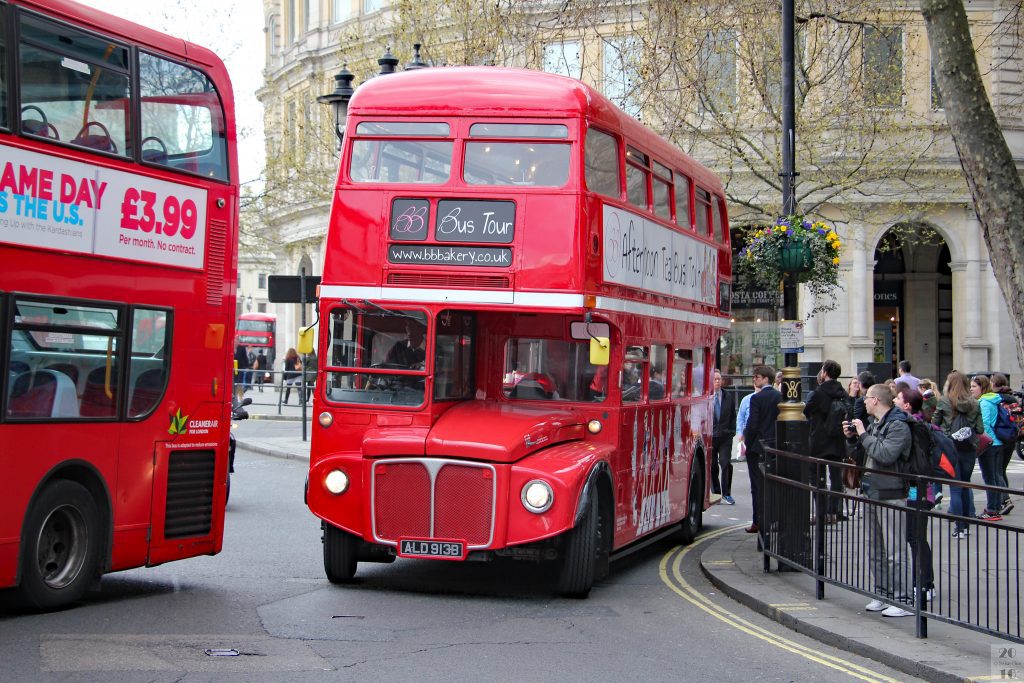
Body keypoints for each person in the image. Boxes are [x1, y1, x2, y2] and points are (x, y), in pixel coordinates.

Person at [846, 383, 913, 617]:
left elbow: (885, 455)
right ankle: (882, 594)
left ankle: (904, 600)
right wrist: (854, 439)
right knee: (875, 548)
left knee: (895, 550)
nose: (863, 402)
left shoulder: (898, 425)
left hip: (892, 492)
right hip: (871, 490)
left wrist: (863, 433)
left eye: (866, 398)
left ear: (875, 400)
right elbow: (866, 456)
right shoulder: (875, 424)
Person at [893, 386, 935, 606]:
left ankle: (924, 584)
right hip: (919, 491)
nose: (894, 399)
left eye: (898, 398)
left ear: (907, 405)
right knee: (917, 538)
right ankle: (926, 583)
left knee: (915, 539)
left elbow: (917, 462)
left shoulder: (914, 427)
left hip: (917, 491)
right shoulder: (918, 423)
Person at [932, 370, 983, 537]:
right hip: (968, 449)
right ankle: (966, 527)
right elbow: (980, 429)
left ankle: (958, 528)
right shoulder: (974, 403)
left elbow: (935, 424)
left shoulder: (945, 401)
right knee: (965, 485)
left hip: (950, 448)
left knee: (955, 488)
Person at [803, 360, 849, 522]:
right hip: (837, 441)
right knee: (836, 478)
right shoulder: (843, 393)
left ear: (825, 372)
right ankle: (832, 512)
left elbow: (805, 413)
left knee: (817, 479)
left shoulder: (817, 393)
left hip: (818, 442)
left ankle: (821, 513)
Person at [742, 365, 782, 535]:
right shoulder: (780, 396)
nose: (754, 379)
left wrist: (747, 444)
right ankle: (775, 520)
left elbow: (752, 425)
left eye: (757, 377)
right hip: (775, 447)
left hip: (758, 448)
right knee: (774, 485)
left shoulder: (756, 398)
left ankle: (758, 522)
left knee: (757, 486)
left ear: (766, 379)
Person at [972, 374, 1008, 521]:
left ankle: (992, 509)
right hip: (997, 442)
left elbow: (984, 424)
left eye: (974, 386)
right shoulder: (993, 400)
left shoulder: (984, 402)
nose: (971, 389)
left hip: (988, 444)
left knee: (990, 478)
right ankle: (996, 506)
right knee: (994, 476)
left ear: (982, 387)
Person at [991, 372, 1016, 515]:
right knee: (1002, 469)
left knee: (998, 470)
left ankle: (1005, 499)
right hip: (1011, 438)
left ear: (994, 384)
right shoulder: (1013, 398)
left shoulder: (996, 399)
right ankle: (1004, 498)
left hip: (999, 437)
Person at [710, 370, 738, 505]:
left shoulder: (728, 396)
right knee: (713, 465)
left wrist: (732, 431)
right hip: (711, 436)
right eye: (715, 379)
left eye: (719, 379)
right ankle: (715, 492)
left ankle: (727, 493)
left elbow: (733, 415)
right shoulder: (706, 397)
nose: (717, 381)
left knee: (725, 463)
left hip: (725, 436)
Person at [734, 380, 761, 463]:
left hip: (761, 432)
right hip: (749, 432)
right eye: (756, 385)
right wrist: (740, 432)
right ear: (754, 385)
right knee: (751, 459)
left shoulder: (766, 398)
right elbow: (740, 417)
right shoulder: (746, 399)